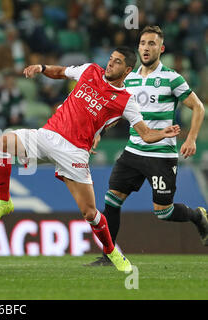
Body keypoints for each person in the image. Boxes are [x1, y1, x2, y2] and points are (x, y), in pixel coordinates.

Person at [0, 46, 181, 272]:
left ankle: (112, 252)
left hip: (75, 152)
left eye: (117, 62)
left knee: (90, 213)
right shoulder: (90, 71)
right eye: (110, 59)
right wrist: (42, 67)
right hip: (48, 134)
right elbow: (61, 73)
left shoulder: (126, 100)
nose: (110, 64)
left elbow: (145, 134)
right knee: (2, 143)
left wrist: (162, 134)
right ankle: (4, 201)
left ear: (127, 70)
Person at [87, 26, 207, 267]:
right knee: (112, 199)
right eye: (143, 43)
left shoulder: (172, 78)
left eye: (152, 44)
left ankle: (198, 216)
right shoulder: (128, 79)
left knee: (163, 212)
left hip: (161, 155)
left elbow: (198, 107)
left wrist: (192, 138)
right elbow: (113, 110)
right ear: (138, 47)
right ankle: (109, 256)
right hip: (132, 151)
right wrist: (97, 132)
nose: (146, 47)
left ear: (161, 49)